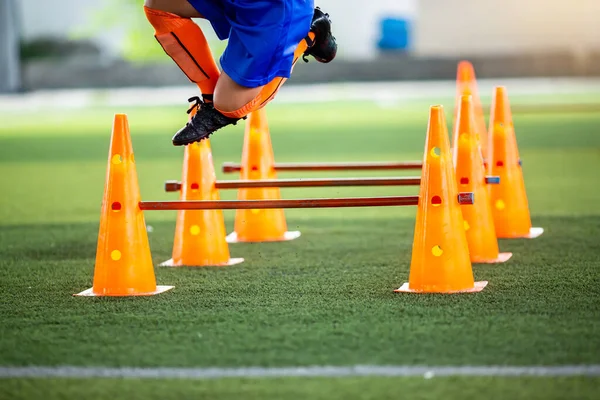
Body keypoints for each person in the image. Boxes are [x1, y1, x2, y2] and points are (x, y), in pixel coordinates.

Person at [143, 0, 337, 146]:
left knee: (230, 106)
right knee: (159, 6)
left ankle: (308, 33)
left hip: (271, 10)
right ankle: (211, 98)